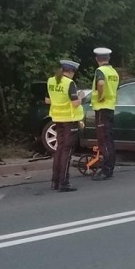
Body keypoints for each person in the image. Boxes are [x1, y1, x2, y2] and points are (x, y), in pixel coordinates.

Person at [46, 60, 82, 192]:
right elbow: (75, 104)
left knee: (59, 149)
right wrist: (81, 97)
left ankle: (55, 181)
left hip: (57, 119)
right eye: (73, 73)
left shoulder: (51, 81)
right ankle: (64, 183)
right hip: (69, 120)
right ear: (70, 71)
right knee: (67, 151)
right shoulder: (69, 83)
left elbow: (47, 100)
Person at [91, 47, 119, 180]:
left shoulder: (100, 71)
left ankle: (106, 170)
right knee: (109, 140)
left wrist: (101, 96)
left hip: (102, 108)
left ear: (97, 59)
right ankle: (110, 167)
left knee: (104, 141)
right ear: (108, 58)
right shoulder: (113, 71)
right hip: (110, 108)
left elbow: (101, 83)